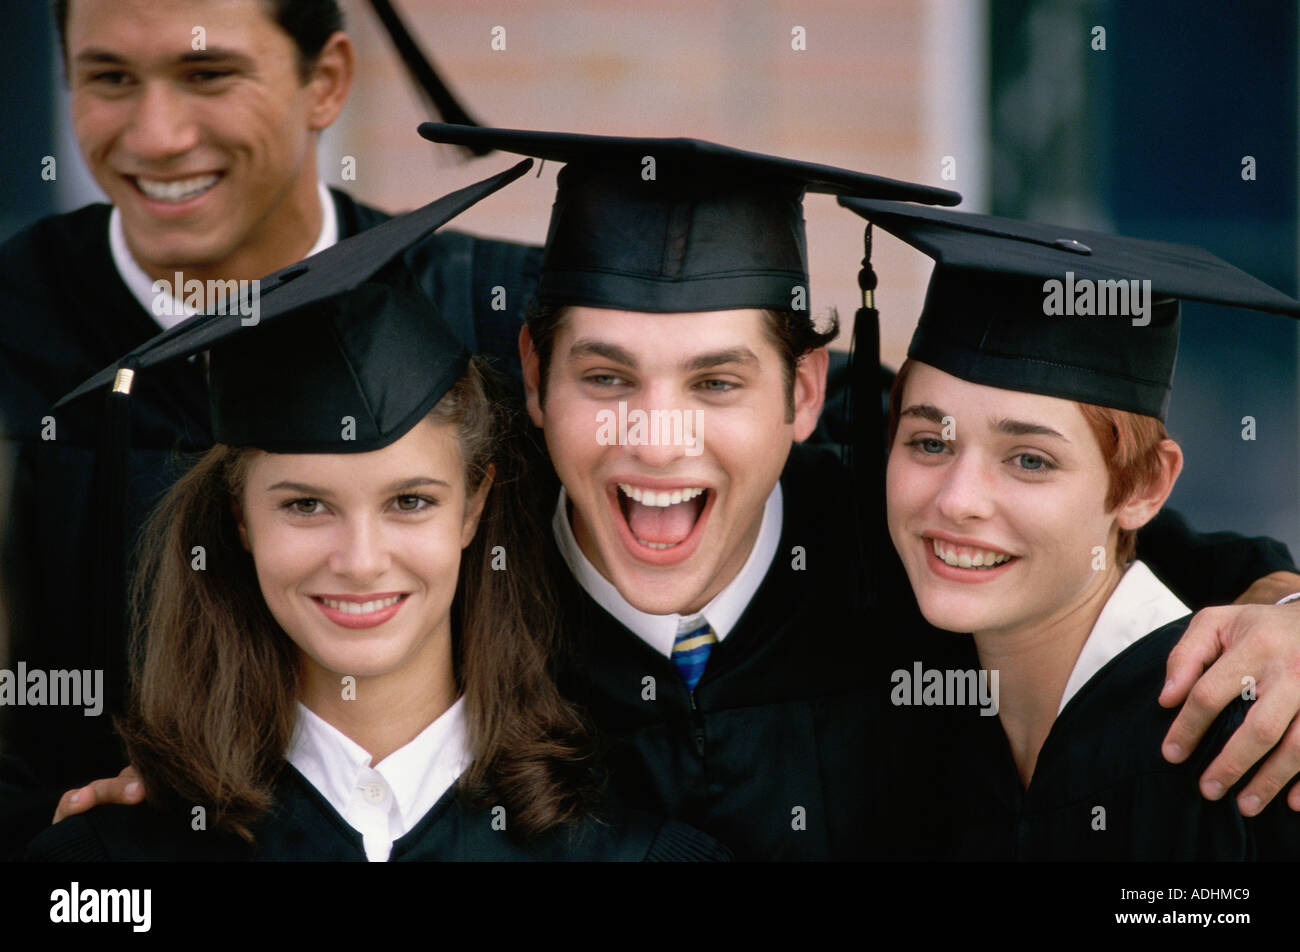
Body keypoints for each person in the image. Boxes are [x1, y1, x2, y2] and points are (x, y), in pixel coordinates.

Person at [410, 124, 1300, 859]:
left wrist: (1287, 604)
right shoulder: (453, 590)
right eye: (606, 379)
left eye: (716, 383)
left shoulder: (898, 540)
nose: (659, 437)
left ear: (804, 391)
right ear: (534, 378)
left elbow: (1107, 552)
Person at [24, 170, 729, 861]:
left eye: (410, 501)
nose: (360, 560)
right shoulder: (107, 865)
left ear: (474, 507)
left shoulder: (638, 855)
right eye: (306, 505)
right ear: (238, 519)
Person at [0, 0, 539, 851]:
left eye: (208, 74)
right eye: (109, 78)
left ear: (325, 82)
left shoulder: (495, 325)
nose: (157, 135)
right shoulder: (17, 327)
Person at [845, 196, 1300, 858]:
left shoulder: (1255, 745)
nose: (959, 500)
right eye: (929, 442)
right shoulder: (934, 728)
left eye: (1030, 459)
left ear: (1144, 485)